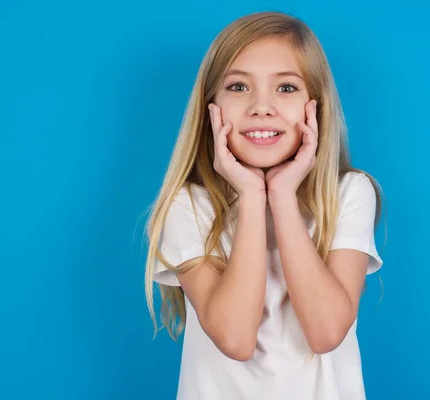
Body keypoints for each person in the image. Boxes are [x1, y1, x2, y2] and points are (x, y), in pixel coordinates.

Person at [144, 10, 385, 400]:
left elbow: (326, 333)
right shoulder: (187, 205)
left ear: (316, 106)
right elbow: (236, 339)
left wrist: (284, 196)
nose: (261, 106)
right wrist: (254, 196)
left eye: (286, 88)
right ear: (211, 108)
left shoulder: (349, 194)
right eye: (238, 87)